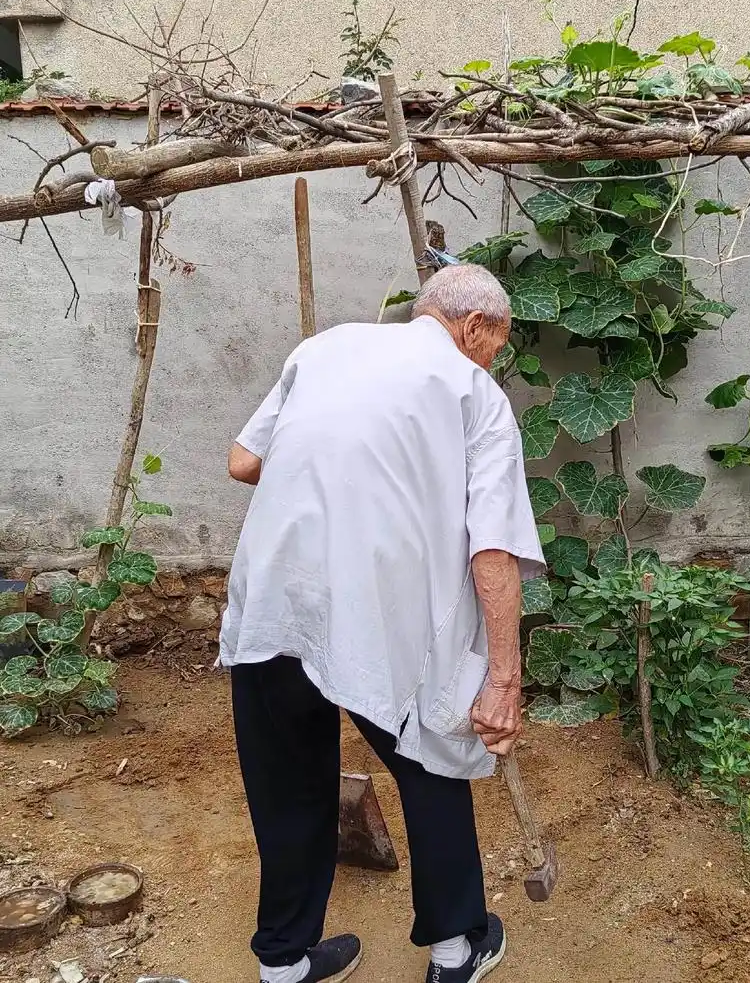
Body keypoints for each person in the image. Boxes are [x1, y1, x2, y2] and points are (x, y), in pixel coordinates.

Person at [220, 263, 545, 983]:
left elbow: (244, 462)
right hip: (384, 616)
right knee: (431, 763)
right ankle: (457, 950)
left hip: (277, 601)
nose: (496, 357)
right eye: (499, 343)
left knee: (286, 782)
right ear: (476, 327)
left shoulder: (322, 348)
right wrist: (503, 680)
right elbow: (493, 548)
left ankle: (285, 962)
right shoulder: (475, 395)